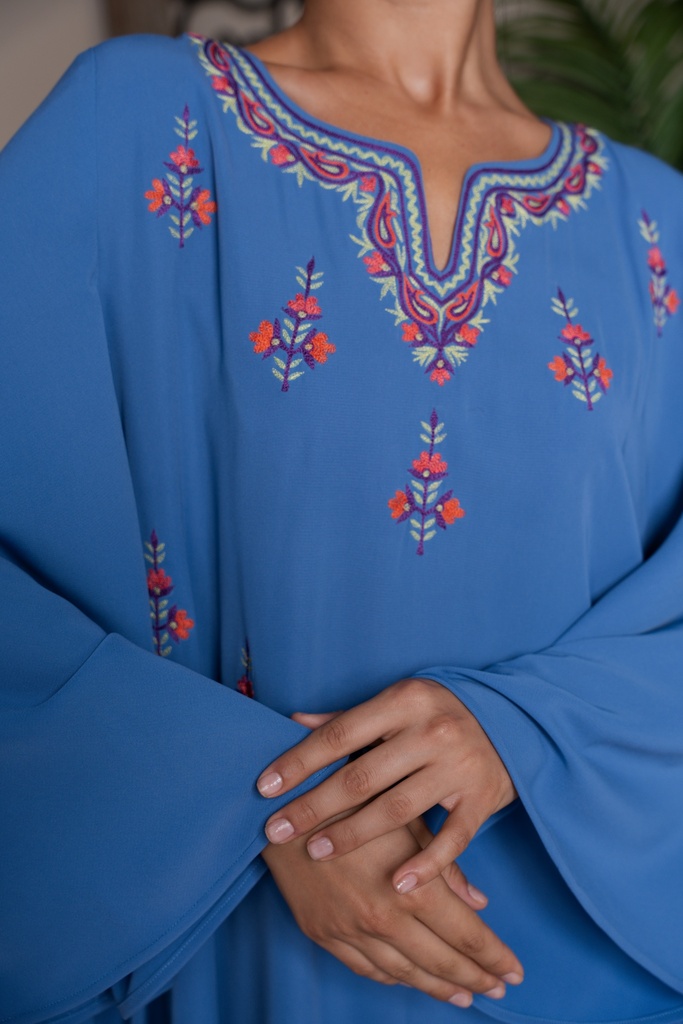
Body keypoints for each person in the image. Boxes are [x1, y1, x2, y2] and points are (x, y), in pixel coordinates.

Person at [1, 1, 682, 1022]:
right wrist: (262, 804)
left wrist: (525, 727)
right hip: (254, 952)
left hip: (588, 967)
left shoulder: (655, 221)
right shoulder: (136, 119)